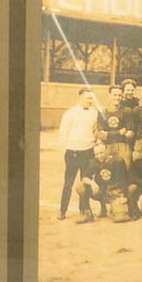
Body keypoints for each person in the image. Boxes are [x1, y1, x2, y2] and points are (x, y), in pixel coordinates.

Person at [56, 88, 101, 221]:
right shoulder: (70, 113)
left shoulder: (95, 113)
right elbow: (63, 133)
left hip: (88, 152)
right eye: (88, 98)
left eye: (92, 98)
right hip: (73, 152)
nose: (90, 101)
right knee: (68, 183)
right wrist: (68, 149)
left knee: (84, 183)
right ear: (80, 97)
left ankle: (84, 211)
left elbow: (96, 131)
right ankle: (62, 210)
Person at [77, 142, 130, 223]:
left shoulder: (117, 161)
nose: (99, 156)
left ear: (106, 151)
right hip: (101, 191)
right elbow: (85, 177)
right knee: (80, 186)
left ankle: (114, 208)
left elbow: (124, 181)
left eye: (101, 153)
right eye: (96, 154)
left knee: (119, 219)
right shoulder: (93, 162)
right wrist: (92, 183)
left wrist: (123, 197)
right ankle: (87, 213)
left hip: (114, 192)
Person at [99, 85, 135, 167]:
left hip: (123, 145)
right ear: (109, 95)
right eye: (114, 95)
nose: (117, 97)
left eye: (119, 95)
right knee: (108, 171)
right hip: (108, 146)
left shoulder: (127, 111)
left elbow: (130, 134)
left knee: (125, 171)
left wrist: (108, 134)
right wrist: (119, 132)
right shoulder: (103, 111)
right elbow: (101, 135)